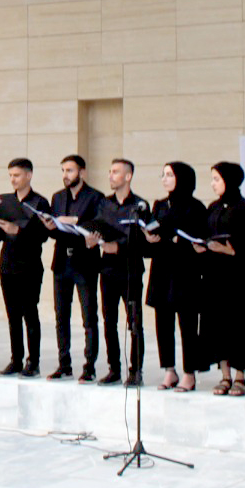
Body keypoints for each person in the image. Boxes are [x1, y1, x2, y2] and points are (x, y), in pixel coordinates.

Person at [0, 158, 51, 377]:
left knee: (30, 314)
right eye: (10, 176)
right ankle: (16, 360)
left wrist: (20, 232)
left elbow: (43, 236)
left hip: (29, 266)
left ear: (28, 175)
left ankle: (32, 363)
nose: (13, 180)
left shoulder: (39, 203)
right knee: (13, 316)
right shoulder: (4, 202)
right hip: (7, 265)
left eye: (17, 175)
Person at [202, 162, 245, 397]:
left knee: (239, 323)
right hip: (215, 273)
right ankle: (224, 375)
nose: (213, 183)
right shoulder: (213, 207)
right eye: (212, 179)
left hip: (238, 274)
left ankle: (240, 377)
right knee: (218, 323)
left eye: (217, 179)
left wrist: (229, 250)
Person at [146, 162, 207, 393]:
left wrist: (177, 241)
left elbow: (200, 239)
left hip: (185, 270)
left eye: (169, 175)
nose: (164, 179)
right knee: (163, 322)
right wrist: (150, 238)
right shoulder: (160, 205)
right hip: (162, 267)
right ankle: (169, 369)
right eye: (163, 175)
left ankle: (190, 373)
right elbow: (154, 230)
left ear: (182, 178)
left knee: (187, 324)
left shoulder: (196, 207)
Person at [43, 155, 102, 382]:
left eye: (70, 170)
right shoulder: (58, 197)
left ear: (82, 172)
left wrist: (74, 220)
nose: (66, 175)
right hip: (61, 262)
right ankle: (64, 364)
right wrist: (50, 226)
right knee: (61, 316)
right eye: (63, 170)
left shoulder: (95, 197)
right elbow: (56, 230)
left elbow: (96, 224)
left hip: (85, 262)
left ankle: (90, 366)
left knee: (89, 316)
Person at [92, 159, 147, 386]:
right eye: (109, 171)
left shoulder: (140, 205)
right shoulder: (104, 203)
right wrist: (92, 238)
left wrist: (120, 247)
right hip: (108, 269)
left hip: (130, 269)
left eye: (115, 172)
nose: (111, 176)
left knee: (134, 321)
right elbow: (97, 226)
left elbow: (142, 240)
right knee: (109, 320)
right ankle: (114, 368)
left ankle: (136, 370)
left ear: (128, 176)